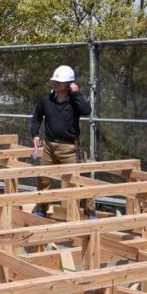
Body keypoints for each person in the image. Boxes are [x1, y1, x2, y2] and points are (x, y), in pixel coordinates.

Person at [30, 65, 94, 218]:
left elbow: (87, 111)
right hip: (49, 147)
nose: (55, 84)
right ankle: (41, 208)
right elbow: (36, 117)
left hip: (69, 148)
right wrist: (35, 135)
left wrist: (76, 93)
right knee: (43, 178)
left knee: (79, 179)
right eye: (54, 81)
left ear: (69, 84)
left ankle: (89, 212)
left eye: (59, 82)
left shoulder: (74, 101)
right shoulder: (46, 100)